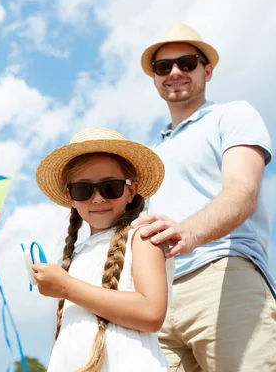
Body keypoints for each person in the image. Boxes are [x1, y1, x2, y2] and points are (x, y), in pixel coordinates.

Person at [132, 22, 276, 371]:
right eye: (163, 67)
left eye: (186, 63)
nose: (174, 72)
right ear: (154, 78)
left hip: (223, 275)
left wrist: (187, 233)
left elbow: (243, 191)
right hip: (159, 300)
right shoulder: (151, 154)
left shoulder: (232, 115)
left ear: (207, 69)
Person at [33, 127, 174, 372]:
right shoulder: (75, 255)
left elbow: (151, 312)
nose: (97, 198)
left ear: (131, 190)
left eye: (110, 187)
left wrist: (66, 286)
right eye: (83, 190)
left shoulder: (141, 237)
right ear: (70, 197)